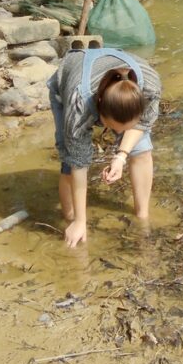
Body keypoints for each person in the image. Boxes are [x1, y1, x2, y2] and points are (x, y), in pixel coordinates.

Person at [48, 46, 161, 247]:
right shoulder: (78, 106)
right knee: (69, 164)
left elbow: (142, 125)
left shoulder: (149, 86)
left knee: (142, 150)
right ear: (100, 112)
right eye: (110, 127)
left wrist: (121, 156)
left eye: (124, 129)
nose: (113, 133)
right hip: (70, 83)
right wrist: (80, 221)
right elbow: (78, 163)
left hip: (112, 81)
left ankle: (142, 217)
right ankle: (71, 221)